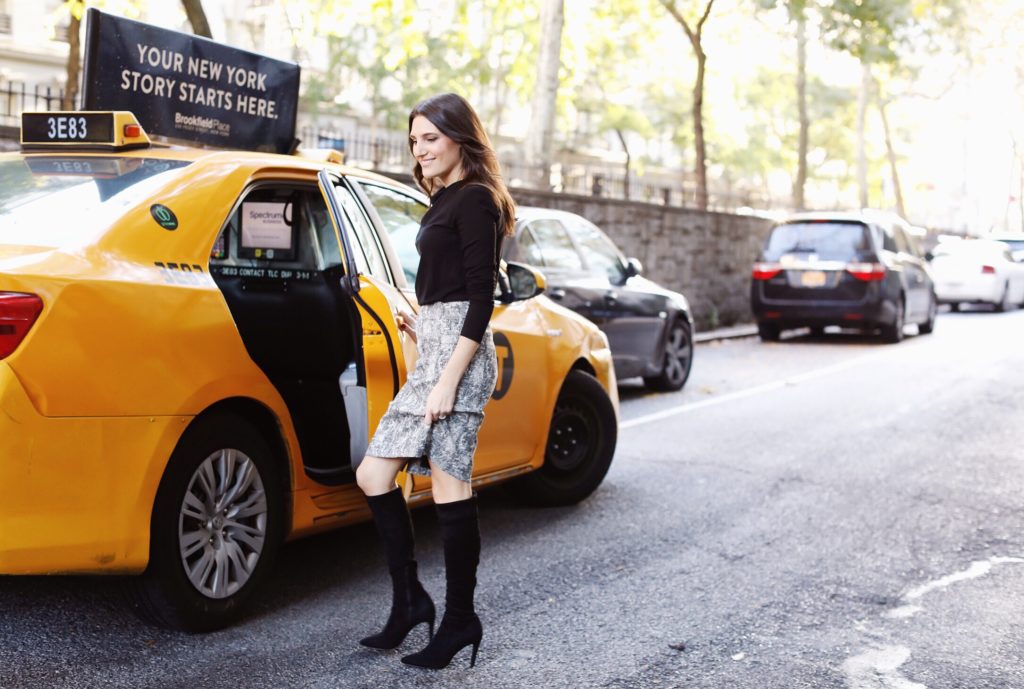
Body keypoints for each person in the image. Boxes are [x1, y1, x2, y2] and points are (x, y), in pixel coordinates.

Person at [353, 92, 516, 670]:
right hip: (440, 347)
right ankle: (410, 602)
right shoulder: (444, 198)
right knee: (374, 472)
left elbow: (481, 297)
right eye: (415, 140)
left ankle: (458, 619)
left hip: (461, 362)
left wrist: (449, 377)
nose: (420, 150)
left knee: (450, 486)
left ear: (460, 140)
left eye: (431, 139)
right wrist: (422, 326)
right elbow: (449, 295)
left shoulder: (476, 199)